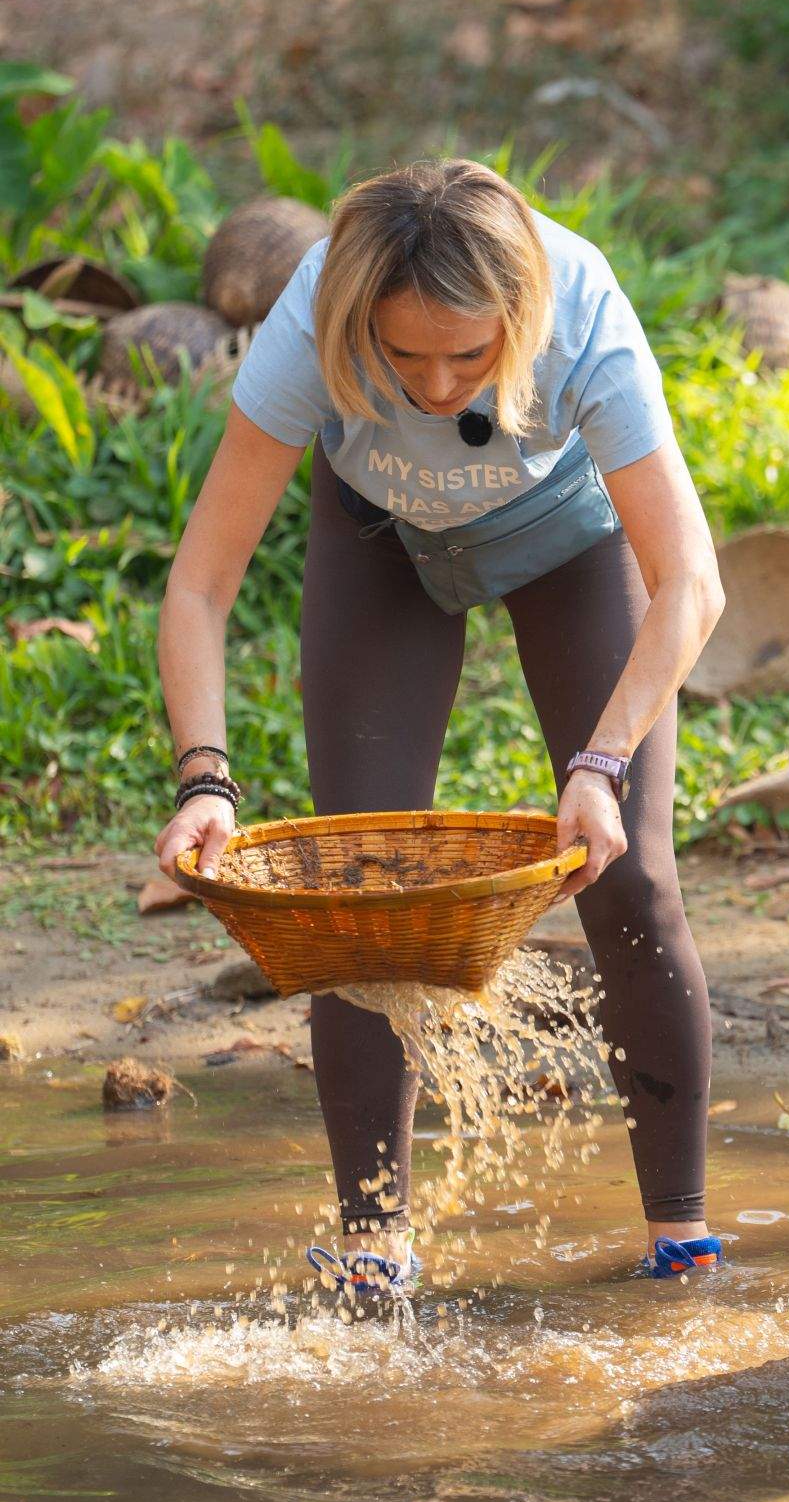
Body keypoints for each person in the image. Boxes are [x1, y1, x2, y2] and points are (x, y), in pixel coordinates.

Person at [154, 158, 726, 1312]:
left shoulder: (585, 311)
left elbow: (691, 584)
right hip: (381, 542)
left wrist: (599, 765)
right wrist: (204, 779)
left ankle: (680, 1235)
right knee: (354, 897)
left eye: (467, 356)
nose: (434, 382)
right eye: (402, 355)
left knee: (633, 881)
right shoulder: (311, 318)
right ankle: (374, 1247)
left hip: (566, 538)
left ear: (520, 318)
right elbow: (199, 590)